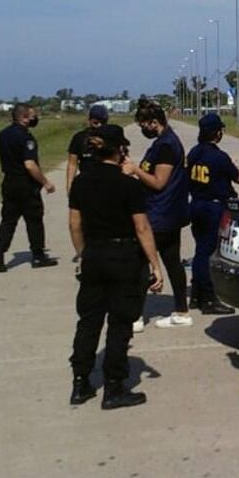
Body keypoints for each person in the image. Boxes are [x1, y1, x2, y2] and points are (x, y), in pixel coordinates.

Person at [68, 124, 164, 409]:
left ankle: (80, 382)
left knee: (88, 321)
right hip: (123, 256)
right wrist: (154, 264)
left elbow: (75, 223)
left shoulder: (82, 182)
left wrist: (82, 254)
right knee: (120, 325)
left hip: (94, 254)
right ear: (119, 149)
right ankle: (114, 387)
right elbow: (142, 227)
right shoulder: (129, 185)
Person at [123, 98, 191, 330]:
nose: (142, 130)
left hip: (160, 214)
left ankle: (135, 317)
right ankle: (181, 311)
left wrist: (134, 170)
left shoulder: (166, 146)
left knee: (141, 263)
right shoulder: (163, 142)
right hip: (166, 212)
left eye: (143, 125)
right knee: (172, 261)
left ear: (154, 122)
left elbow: (159, 182)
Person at [0, 104, 58, 272]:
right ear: (24, 117)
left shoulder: (3, 135)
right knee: (34, 219)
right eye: (32, 116)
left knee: (8, 220)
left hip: (9, 181)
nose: (35, 119)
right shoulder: (26, 138)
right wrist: (45, 182)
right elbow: (29, 164)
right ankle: (38, 255)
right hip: (25, 184)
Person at [187, 113, 239, 315]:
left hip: (196, 204)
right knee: (207, 253)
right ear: (217, 133)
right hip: (213, 207)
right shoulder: (219, 156)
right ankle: (209, 298)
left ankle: (197, 294)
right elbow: (238, 177)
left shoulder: (193, 153)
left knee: (201, 249)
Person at [66, 105, 109, 191]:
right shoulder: (79, 138)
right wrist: (70, 185)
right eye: (96, 123)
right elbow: (72, 164)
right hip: (86, 183)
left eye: (102, 123)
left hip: (108, 183)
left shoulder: (112, 137)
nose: (99, 126)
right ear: (89, 121)